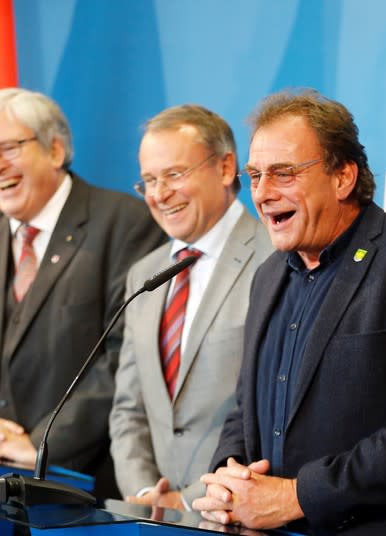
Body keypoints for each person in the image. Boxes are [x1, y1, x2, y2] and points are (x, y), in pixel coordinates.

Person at [192, 89, 386, 534]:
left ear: (343, 177)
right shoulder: (268, 275)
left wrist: (296, 497)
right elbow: (245, 410)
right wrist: (227, 479)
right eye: (255, 176)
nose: (263, 194)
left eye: (283, 174)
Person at [0, 88, 166, 498]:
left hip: (81, 489)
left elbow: (125, 358)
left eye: (9, 148)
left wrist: (40, 444)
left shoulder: (124, 224)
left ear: (55, 150)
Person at [108, 104, 273, 510]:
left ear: (224, 167)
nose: (160, 194)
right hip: (154, 517)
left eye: (174, 175)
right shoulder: (143, 273)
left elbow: (274, 412)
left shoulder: (276, 258)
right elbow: (129, 408)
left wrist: (194, 499)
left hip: (241, 513)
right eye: (148, 180)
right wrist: (148, 494)